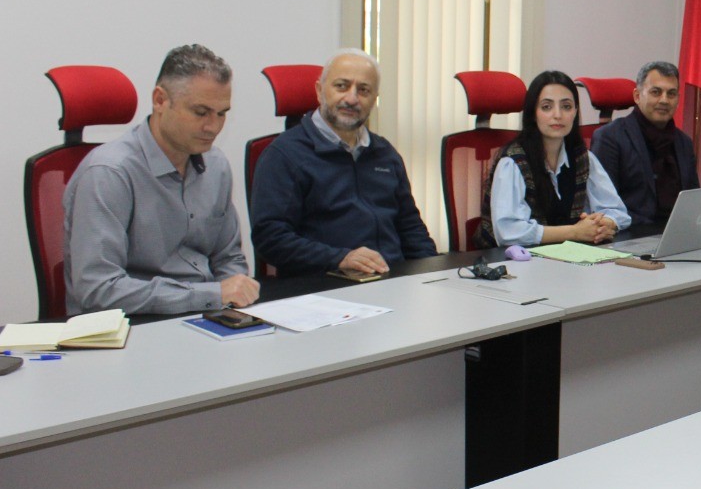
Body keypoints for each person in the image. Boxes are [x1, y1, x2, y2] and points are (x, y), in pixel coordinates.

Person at [63, 44, 258, 315]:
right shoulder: (109, 173)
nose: (213, 127)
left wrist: (235, 299)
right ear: (160, 100)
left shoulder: (216, 165)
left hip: (206, 313)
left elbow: (229, 258)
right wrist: (209, 295)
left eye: (222, 113)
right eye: (201, 112)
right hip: (132, 323)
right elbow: (98, 289)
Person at [249, 49, 437, 276]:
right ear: (319, 91)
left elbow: (410, 228)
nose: (351, 98)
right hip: (326, 283)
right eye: (341, 86)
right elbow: (270, 238)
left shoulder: (384, 153)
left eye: (363, 90)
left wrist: (434, 274)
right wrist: (340, 258)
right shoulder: (284, 155)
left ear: (374, 100)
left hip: (391, 279)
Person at [478, 70, 630, 247]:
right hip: (511, 259)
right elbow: (508, 232)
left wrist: (604, 225)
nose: (558, 115)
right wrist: (575, 232)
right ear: (533, 113)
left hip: (563, 256)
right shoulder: (512, 162)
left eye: (566, 106)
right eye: (546, 107)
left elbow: (618, 212)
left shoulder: (584, 158)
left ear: (575, 112)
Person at [590, 60, 700, 226]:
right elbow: (604, 208)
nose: (664, 100)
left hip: (677, 232)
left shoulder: (684, 143)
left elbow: (694, 201)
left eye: (671, 94)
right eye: (656, 92)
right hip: (630, 233)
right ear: (637, 96)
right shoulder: (609, 138)